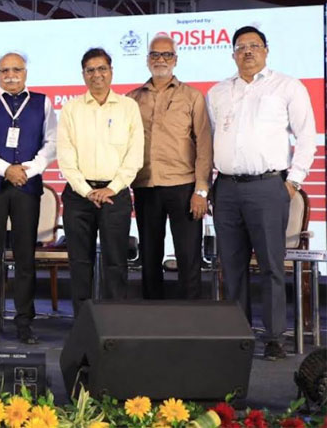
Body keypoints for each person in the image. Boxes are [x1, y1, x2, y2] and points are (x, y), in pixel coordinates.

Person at [206, 26, 317, 360]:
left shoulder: (287, 86)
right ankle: (238, 336)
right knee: (232, 266)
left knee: (270, 266)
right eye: (241, 47)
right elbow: (211, 140)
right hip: (226, 188)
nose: (248, 52)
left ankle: (273, 338)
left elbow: (306, 136)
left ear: (266, 50)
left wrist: (293, 182)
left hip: (269, 187)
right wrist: (208, 187)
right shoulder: (218, 92)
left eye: (254, 45)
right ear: (233, 54)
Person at [0, 52, 57, 345]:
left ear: (25, 73)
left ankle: (24, 323)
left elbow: (51, 143)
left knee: (25, 258)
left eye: (16, 69)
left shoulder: (43, 103)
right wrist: (5, 169)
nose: (10, 75)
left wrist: (27, 170)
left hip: (28, 186)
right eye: (4, 70)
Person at [57, 48, 144, 316]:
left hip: (115, 195)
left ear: (111, 71)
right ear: (83, 74)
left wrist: (112, 188)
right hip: (78, 196)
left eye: (102, 69)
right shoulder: (71, 109)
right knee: (79, 263)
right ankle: (83, 323)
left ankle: (114, 322)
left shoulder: (128, 107)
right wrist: (87, 191)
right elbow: (66, 157)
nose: (97, 75)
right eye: (91, 70)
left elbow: (135, 155)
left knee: (115, 263)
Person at [126, 34, 213, 300]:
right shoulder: (131, 99)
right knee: (149, 258)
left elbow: (204, 145)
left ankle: (192, 317)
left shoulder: (192, 97)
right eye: (155, 54)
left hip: (184, 187)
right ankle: (153, 315)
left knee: (188, 257)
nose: (160, 59)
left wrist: (201, 190)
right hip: (146, 185)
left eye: (167, 55)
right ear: (147, 60)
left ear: (175, 59)